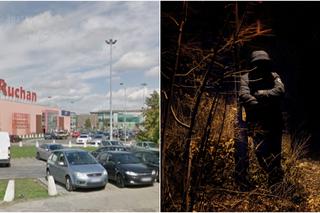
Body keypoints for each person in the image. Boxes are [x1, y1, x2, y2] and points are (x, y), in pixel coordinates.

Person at [236, 50, 285, 190]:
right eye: (258, 63)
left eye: (263, 63)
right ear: (253, 65)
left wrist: (262, 95)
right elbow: (244, 96)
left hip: (275, 122)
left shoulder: (274, 76)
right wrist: (264, 103)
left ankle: (276, 186)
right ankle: (271, 179)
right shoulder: (245, 78)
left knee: (276, 154)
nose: (261, 66)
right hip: (256, 123)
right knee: (260, 152)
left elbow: (280, 91)